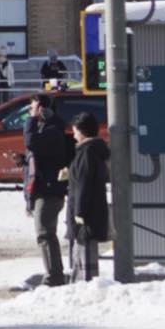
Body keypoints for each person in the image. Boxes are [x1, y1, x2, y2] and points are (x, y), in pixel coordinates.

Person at [24, 93, 70, 286]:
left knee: (45, 233)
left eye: (33, 109)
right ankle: (54, 274)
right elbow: (38, 151)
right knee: (45, 233)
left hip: (50, 191)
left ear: (43, 110)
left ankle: (54, 276)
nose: (30, 113)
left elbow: (31, 142)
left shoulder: (52, 130)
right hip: (47, 188)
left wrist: (31, 120)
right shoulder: (49, 128)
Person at [66, 113, 110, 281]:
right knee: (81, 255)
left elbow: (84, 183)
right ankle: (81, 286)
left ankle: (86, 288)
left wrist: (79, 212)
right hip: (92, 211)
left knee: (84, 257)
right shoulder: (93, 151)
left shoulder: (86, 153)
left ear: (82, 131)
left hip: (86, 214)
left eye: (75, 130)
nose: (74, 134)